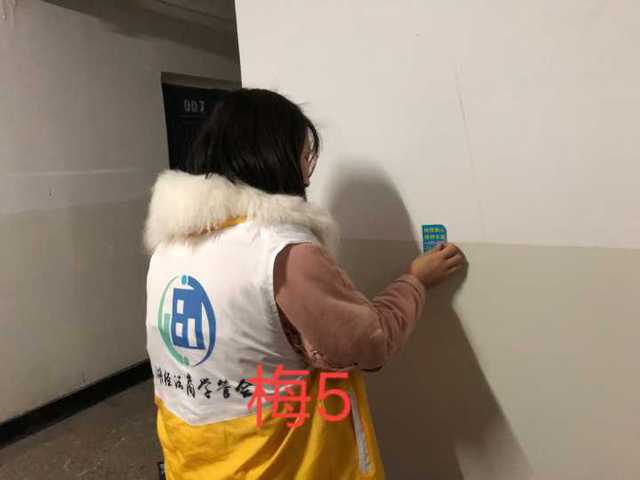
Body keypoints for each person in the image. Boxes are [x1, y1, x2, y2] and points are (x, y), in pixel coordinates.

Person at [144, 88, 465, 479]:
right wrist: (416, 281)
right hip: (280, 464)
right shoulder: (283, 253)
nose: (308, 171)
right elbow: (370, 344)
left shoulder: (168, 249)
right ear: (272, 153)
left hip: (194, 461)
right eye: (304, 153)